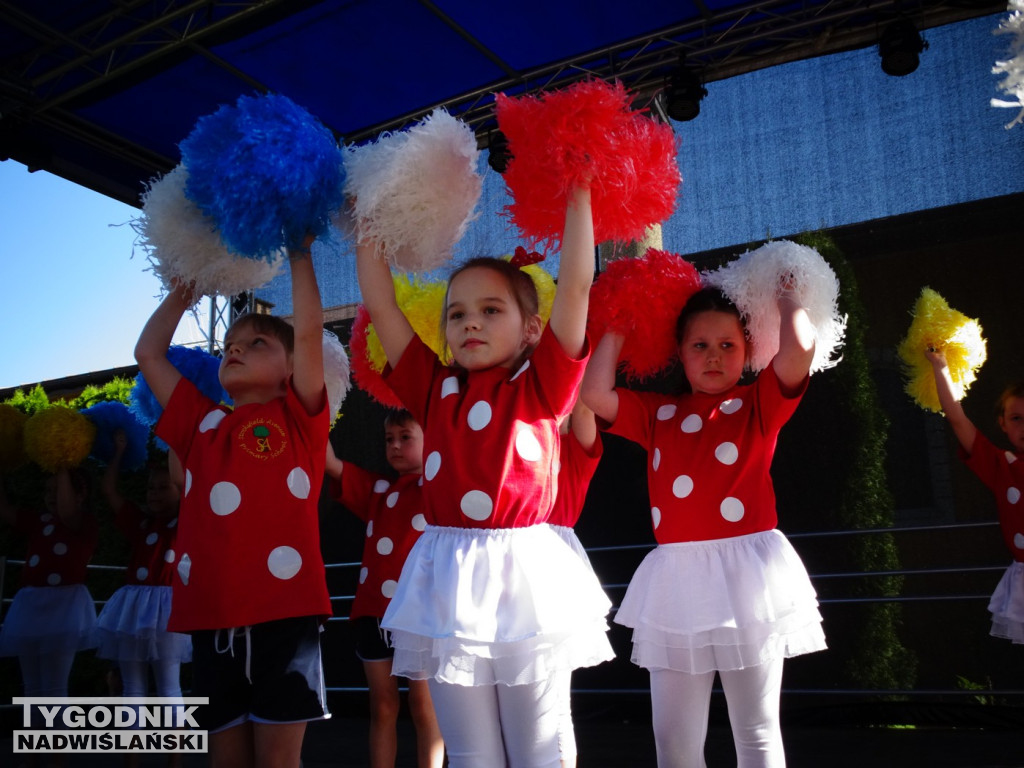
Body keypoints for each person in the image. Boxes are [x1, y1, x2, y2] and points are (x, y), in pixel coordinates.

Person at [356, 183, 613, 768]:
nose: (471, 323)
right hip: (447, 576)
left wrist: (576, 192)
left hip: (527, 576)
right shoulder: (431, 387)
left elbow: (575, 285)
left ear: (530, 328)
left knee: (540, 746)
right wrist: (369, 231)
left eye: (491, 309)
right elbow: (382, 304)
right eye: (457, 314)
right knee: (469, 751)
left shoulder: (544, 384)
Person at [581, 285, 826, 768]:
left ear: (750, 350)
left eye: (728, 345)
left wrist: (784, 292)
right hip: (677, 582)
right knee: (672, 738)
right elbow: (594, 393)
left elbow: (800, 348)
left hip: (750, 579)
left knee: (756, 729)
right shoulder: (657, 413)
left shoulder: (759, 403)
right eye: (699, 345)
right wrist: (618, 325)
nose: (713, 356)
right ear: (679, 352)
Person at [134, 236, 331, 768]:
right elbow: (148, 354)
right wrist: (183, 293)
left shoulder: (301, 421)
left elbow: (310, 332)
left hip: (285, 618)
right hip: (211, 618)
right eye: (229, 347)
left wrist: (299, 254)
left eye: (257, 343)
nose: (236, 349)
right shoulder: (202, 424)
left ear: (292, 368)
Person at [325, 409, 444, 768]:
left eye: (405, 437)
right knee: (383, 705)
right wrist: (313, 407)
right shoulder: (378, 489)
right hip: (372, 614)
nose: (395, 446)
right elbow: (328, 462)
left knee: (425, 705)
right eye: (389, 439)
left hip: (420, 617)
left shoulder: (440, 487)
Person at [95, 430, 191, 767]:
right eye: (150, 487)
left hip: (167, 610)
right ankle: (132, 761)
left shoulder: (187, 522)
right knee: (132, 688)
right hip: (133, 610)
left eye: (162, 487)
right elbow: (109, 491)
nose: (153, 493)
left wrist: (181, 442)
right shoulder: (140, 522)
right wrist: (118, 453)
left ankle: (175, 761)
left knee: (169, 686)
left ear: (180, 490)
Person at [927, 350, 1024, 644]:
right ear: (1002, 424)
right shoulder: (1001, 466)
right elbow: (957, 419)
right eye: (1017, 418)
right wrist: (940, 366)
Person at [0, 468, 98, 704]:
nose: (52, 496)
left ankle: (54, 740)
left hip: (63, 608)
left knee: (54, 686)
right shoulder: (38, 521)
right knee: (31, 689)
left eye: (59, 490)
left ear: (80, 494)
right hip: (30, 607)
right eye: (48, 490)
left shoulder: (83, 522)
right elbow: (4, 510)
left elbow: (67, 511)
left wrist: (62, 462)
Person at [547, 399, 604, 768]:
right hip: (503, 560)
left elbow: (583, 405)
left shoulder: (576, 446)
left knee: (552, 703)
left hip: (552, 565)